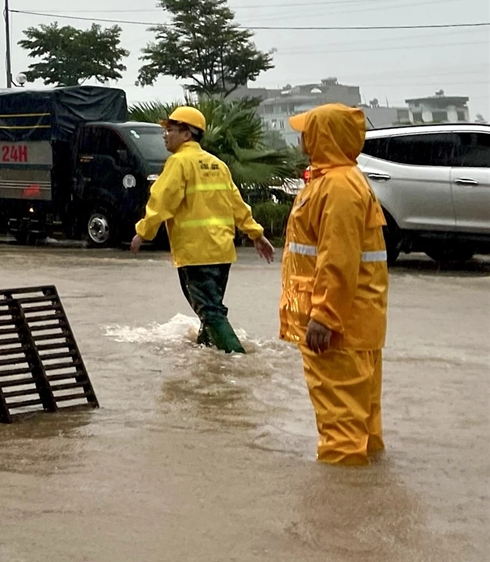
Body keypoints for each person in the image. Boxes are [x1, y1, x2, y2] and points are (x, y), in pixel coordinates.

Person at [279, 104, 389, 466]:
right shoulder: (338, 181)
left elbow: (338, 258)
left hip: (338, 329)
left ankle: (342, 512)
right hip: (356, 323)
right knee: (363, 425)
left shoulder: (338, 187)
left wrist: (323, 317)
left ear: (321, 136)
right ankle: (368, 498)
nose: (300, 137)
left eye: (306, 130)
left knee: (341, 435)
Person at [129, 106, 274, 352]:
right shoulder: (218, 165)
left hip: (196, 253)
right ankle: (206, 357)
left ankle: (237, 359)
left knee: (211, 311)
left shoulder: (179, 162)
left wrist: (143, 232)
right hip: (221, 252)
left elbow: (162, 200)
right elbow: (236, 203)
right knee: (210, 309)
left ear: (187, 134)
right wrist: (256, 234)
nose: (165, 135)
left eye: (170, 130)